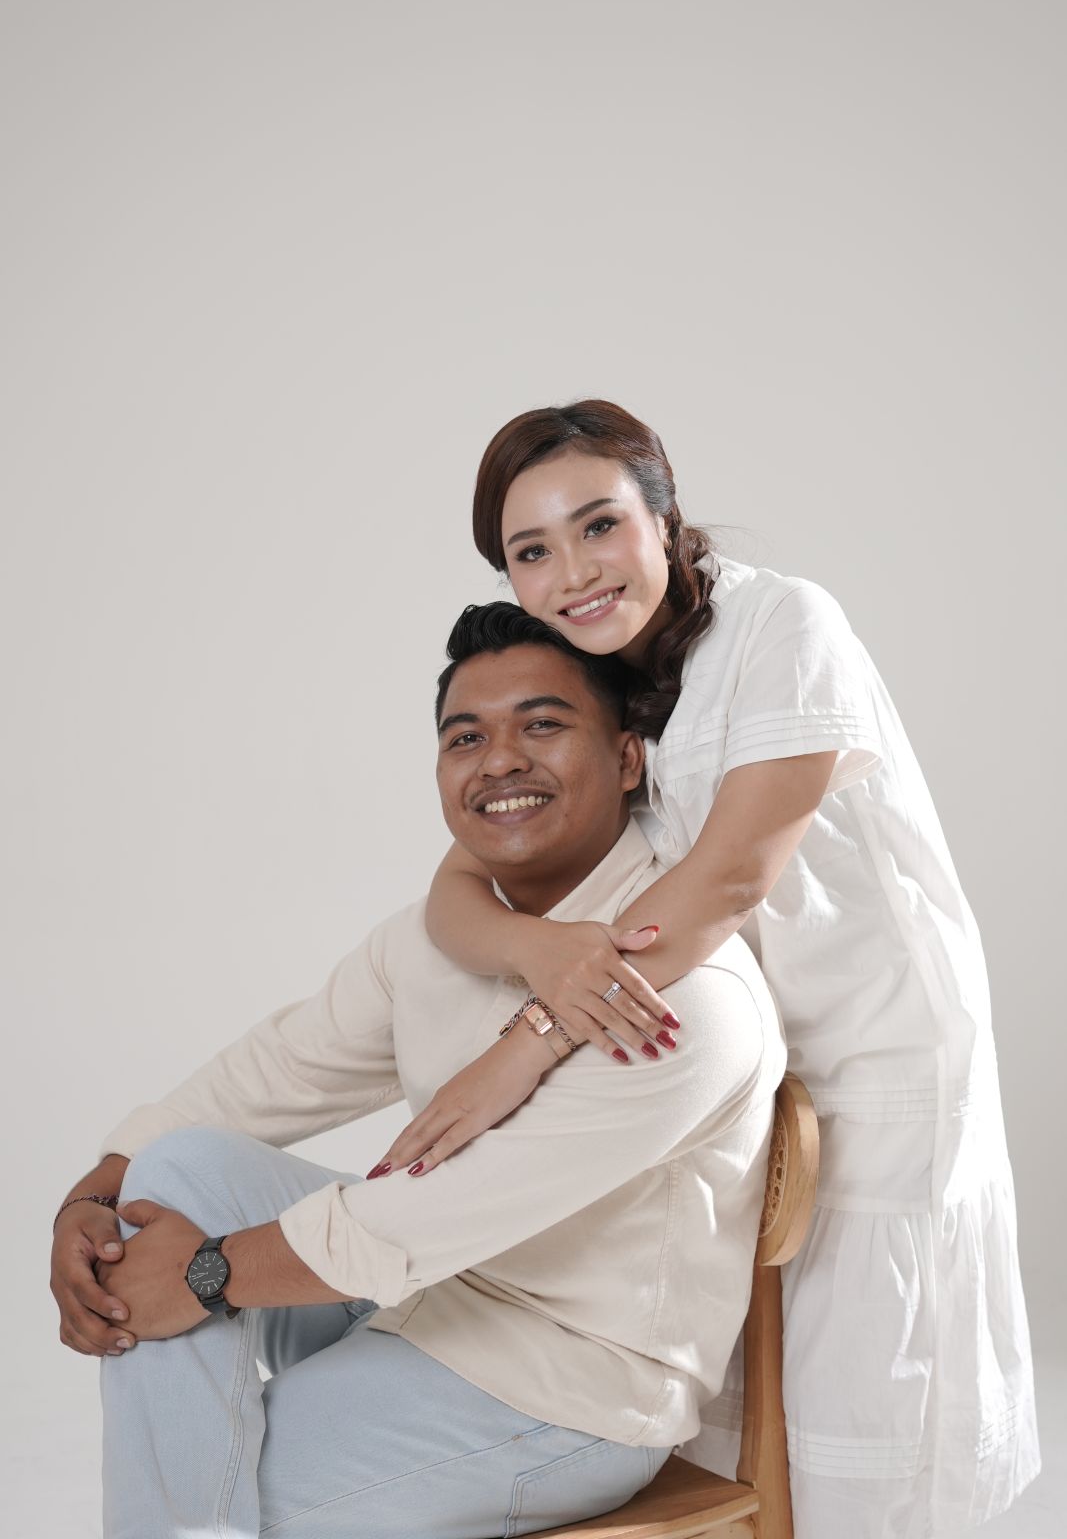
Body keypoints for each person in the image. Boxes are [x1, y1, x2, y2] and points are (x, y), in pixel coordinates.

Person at [371, 401, 1039, 1538]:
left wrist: (525, 1045)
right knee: (729, 1389)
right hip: (728, 1059)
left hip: (876, 1053)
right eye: (531, 551)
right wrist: (539, 949)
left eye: (598, 526)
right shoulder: (592, 672)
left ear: (663, 514)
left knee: (865, 1389)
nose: (573, 574)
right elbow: (457, 888)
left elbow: (730, 877)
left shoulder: (783, 624)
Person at [50, 602, 786, 1539]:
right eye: (465, 737)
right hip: (424, 1298)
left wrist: (200, 1274)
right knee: (173, 1171)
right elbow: (278, 1068)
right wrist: (94, 1196)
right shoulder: (437, 939)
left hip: (566, 1393)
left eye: (542, 725)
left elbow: (434, 1214)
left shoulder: (685, 1002)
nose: (499, 761)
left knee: (218, 1489)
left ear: (628, 758)